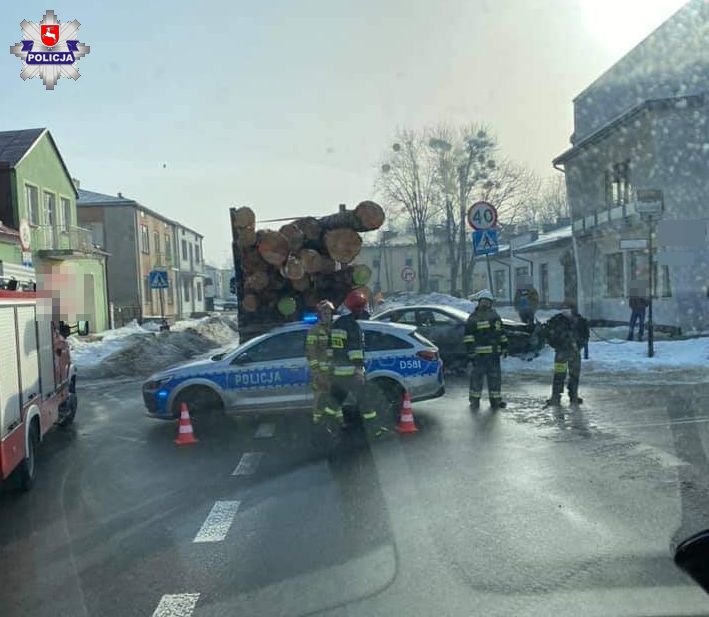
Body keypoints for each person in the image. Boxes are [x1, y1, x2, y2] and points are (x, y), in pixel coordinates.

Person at [464, 289, 508, 410]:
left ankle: (495, 401)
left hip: (494, 355)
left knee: (495, 378)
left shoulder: (495, 316)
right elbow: (468, 336)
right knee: (477, 378)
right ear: (479, 302)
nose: (485, 304)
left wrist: (504, 347)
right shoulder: (473, 317)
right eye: (483, 301)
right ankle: (474, 400)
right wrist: (471, 352)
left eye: (487, 302)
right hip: (479, 356)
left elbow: (501, 333)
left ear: (491, 303)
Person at [544, 299, 589, 406]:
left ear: (573, 309)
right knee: (559, 375)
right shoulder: (557, 320)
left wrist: (579, 346)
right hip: (561, 353)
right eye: (563, 308)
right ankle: (556, 397)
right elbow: (548, 333)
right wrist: (556, 344)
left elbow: (585, 335)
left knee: (574, 375)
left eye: (567, 307)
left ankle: (573, 396)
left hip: (574, 352)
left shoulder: (580, 321)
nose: (565, 310)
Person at [305, 300, 341, 427]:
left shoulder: (336, 328)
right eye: (324, 313)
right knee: (319, 398)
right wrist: (317, 373)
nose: (327, 315)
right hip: (321, 373)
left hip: (335, 371)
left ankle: (337, 422)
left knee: (336, 397)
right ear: (319, 315)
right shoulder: (314, 331)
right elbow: (311, 354)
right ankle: (318, 423)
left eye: (329, 313)